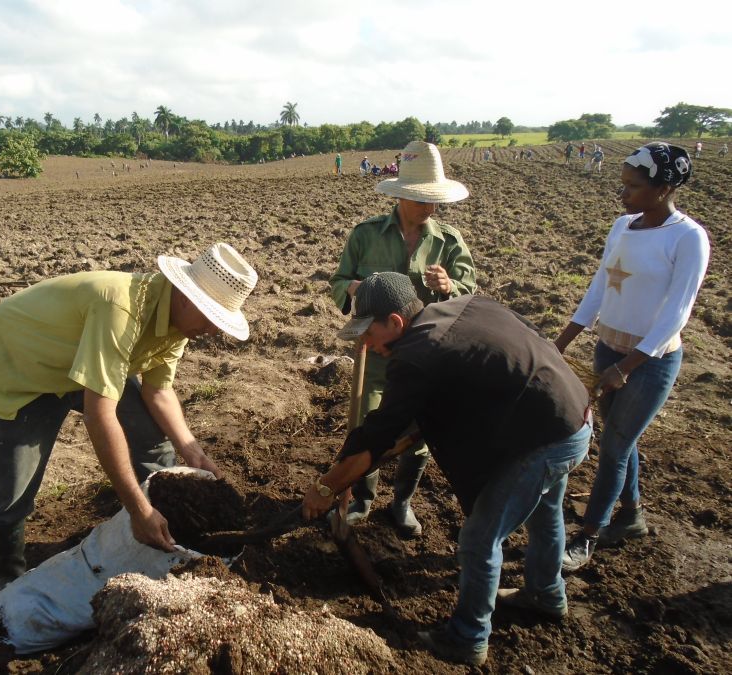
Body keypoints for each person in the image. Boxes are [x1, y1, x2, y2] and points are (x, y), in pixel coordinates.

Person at [302, 272, 591, 666]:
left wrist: (324, 488)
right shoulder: (463, 304)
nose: (363, 343)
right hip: (570, 413)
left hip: (544, 439)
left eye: (368, 333)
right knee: (546, 512)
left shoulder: (417, 358)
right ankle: (546, 593)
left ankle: (468, 638)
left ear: (396, 322)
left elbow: (378, 436)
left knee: (479, 537)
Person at [0, 243, 258, 588]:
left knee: (154, 442)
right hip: (24, 364)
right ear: (188, 297)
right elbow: (100, 415)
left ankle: (173, 535)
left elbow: (159, 391)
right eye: (211, 318)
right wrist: (137, 509)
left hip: (88, 358)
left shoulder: (178, 323)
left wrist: (194, 452)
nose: (213, 330)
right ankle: (9, 577)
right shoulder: (122, 308)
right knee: (14, 490)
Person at [555, 143, 710, 571]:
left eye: (633, 186)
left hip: (651, 362)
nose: (623, 194)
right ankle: (633, 515)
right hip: (608, 348)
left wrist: (628, 366)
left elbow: (678, 313)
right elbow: (600, 289)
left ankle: (589, 534)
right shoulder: (622, 226)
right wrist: (562, 342)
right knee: (621, 440)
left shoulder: (688, 238)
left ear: (662, 189)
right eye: (623, 185)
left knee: (615, 445)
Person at [329, 141, 476, 537]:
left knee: (418, 434)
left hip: (427, 357)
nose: (429, 208)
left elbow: (469, 294)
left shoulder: (448, 241)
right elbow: (337, 281)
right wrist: (355, 289)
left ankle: (402, 503)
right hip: (375, 353)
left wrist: (450, 285)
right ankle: (362, 498)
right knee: (365, 423)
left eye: (434, 201)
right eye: (421, 200)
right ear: (401, 196)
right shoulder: (366, 235)